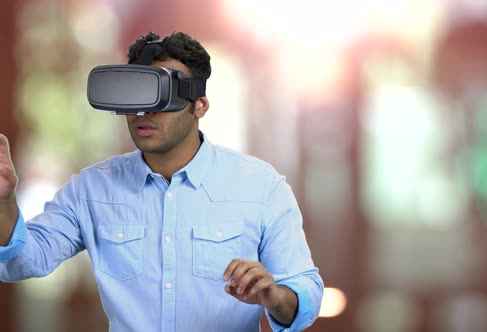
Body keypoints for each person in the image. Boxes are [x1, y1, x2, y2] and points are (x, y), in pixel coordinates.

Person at [0, 31, 323, 332]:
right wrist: (3, 203)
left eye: (161, 95)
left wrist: (275, 296)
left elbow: (306, 289)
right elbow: (22, 262)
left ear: (200, 105)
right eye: (135, 95)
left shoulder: (261, 187)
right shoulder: (92, 190)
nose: (144, 112)